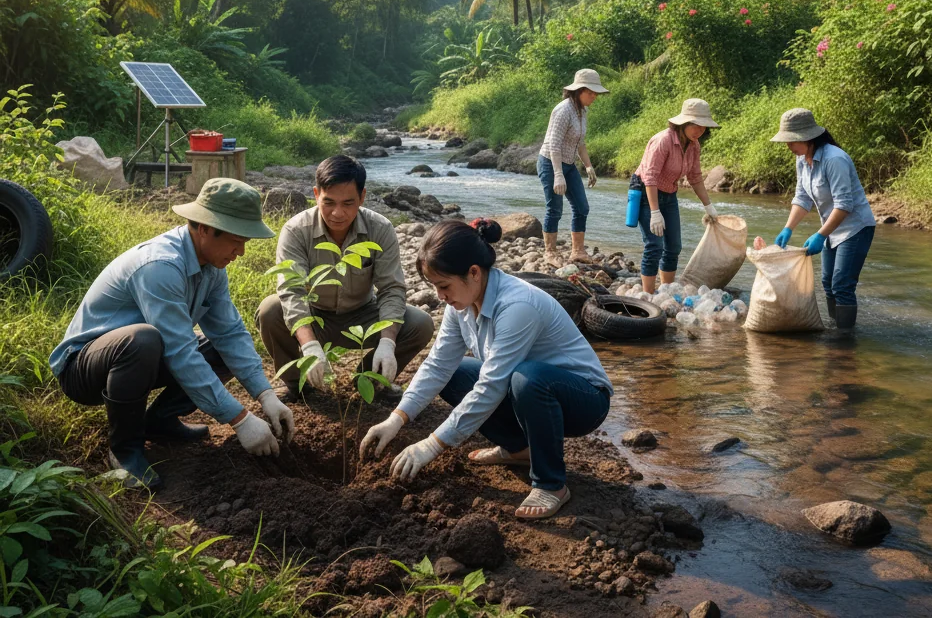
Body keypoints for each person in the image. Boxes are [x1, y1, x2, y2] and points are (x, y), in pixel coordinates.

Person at [49, 178, 295, 491]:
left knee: (220, 348)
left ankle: (160, 422)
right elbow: (179, 352)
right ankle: (125, 451)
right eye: (236, 240)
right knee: (142, 339)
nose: (242, 252)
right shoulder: (161, 266)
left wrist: (266, 395)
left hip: (139, 360)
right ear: (205, 228)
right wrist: (240, 419)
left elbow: (230, 333)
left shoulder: (212, 267)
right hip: (85, 369)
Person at [359, 218, 613, 521]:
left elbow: (492, 386)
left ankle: (551, 484)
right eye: (435, 287)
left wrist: (432, 444)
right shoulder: (462, 304)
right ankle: (520, 448)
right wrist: (397, 419)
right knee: (456, 374)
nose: (440, 296)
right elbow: (438, 365)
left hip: (584, 399)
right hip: (526, 389)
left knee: (527, 378)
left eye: (444, 286)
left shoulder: (518, 306)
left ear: (474, 273)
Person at [258, 154, 434, 402]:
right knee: (270, 309)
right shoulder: (296, 230)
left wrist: (387, 343)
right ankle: (297, 385)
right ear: (316, 193)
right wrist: (309, 346)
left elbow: (391, 289)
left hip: (363, 315)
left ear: (362, 197)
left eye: (348, 203)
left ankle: (369, 380)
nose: (337, 213)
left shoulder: (380, 229)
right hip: (315, 316)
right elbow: (292, 291)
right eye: (328, 202)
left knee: (420, 323)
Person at [770, 108, 876, 330]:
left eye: (792, 141)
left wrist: (820, 235)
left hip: (856, 227)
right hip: (831, 227)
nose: (789, 146)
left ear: (808, 138)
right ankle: (835, 328)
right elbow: (802, 198)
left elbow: (844, 205)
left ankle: (845, 341)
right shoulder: (802, 159)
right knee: (827, 283)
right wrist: (788, 228)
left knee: (842, 285)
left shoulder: (834, 159)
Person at [635, 98, 720, 294]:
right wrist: (655, 211)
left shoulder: (694, 145)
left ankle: (665, 291)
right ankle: (648, 295)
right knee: (654, 245)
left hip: (669, 195)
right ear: (683, 123)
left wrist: (709, 206)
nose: (699, 130)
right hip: (646, 193)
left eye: (703, 126)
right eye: (695, 125)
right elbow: (650, 177)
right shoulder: (663, 140)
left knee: (674, 246)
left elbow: (695, 177)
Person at [536, 68, 608, 265]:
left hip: (568, 164)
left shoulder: (583, 111)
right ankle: (550, 252)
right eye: (590, 92)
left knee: (582, 207)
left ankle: (578, 251)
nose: (594, 96)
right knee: (555, 208)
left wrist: (589, 166)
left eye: (595, 93)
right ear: (578, 91)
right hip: (551, 163)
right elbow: (554, 144)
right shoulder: (563, 110)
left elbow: (580, 143)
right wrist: (558, 174)